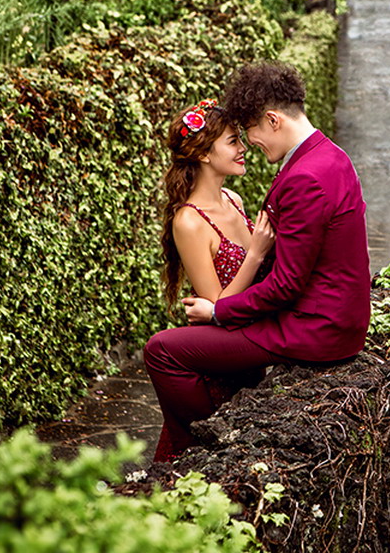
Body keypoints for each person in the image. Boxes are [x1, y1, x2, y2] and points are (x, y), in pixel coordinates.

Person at [145, 62, 371, 462]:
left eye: (247, 132)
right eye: (236, 139)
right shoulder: (332, 156)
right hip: (331, 318)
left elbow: (286, 284)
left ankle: (205, 447)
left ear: (272, 120)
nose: (249, 144)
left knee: (161, 350)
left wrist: (218, 312)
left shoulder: (303, 177)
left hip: (314, 327)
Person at [147, 97, 277, 461]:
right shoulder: (189, 222)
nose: (243, 148)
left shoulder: (234, 200)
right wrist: (255, 254)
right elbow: (217, 307)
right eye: (233, 141)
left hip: (252, 345)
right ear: (204, 154)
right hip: (218, 363)